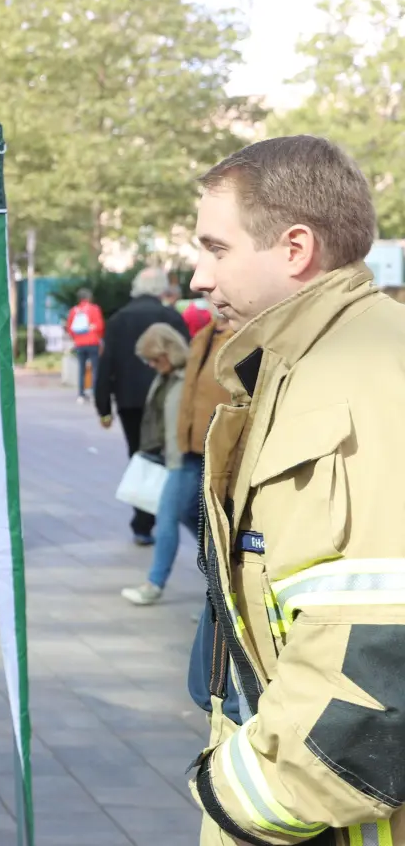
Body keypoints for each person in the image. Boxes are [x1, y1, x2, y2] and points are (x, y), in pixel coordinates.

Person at [185, 135, 405, 845]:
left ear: (294, 248)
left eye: (216, 249)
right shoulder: (312, 364)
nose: (197, 275)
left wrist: (232, 802)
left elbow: (376, 670)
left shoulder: (351, 386)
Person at [94, 267, 189, 544]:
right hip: (168, 397)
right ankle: (162, 514)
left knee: (139, 454)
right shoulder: (171, 317)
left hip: (129, 401)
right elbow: (187, 356)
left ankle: (143, 522)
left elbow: (106, 364)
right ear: (162, 289)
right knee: (169, 455)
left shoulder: (119, 319)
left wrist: (103, 408)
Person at [117, 322, 190, 605]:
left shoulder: (187, 378)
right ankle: (223, 581)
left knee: (168, 518)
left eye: (154, 359)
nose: (150, 365)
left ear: (169, 352)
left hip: (184, 459)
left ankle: (154, 583)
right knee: (196, 524)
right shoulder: (167, 377)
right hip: (172, 457)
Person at [64, 287, 105, 401]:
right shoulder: (94, 309)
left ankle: (81, 394)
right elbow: (100, 326)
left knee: (81, 369)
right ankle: (94, 392)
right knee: (95, 368)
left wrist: (76, 338)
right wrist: (99, 337)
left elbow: (70, 328)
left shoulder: (74, 310)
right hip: (92, 342)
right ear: (89, 298)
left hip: (79, 343)